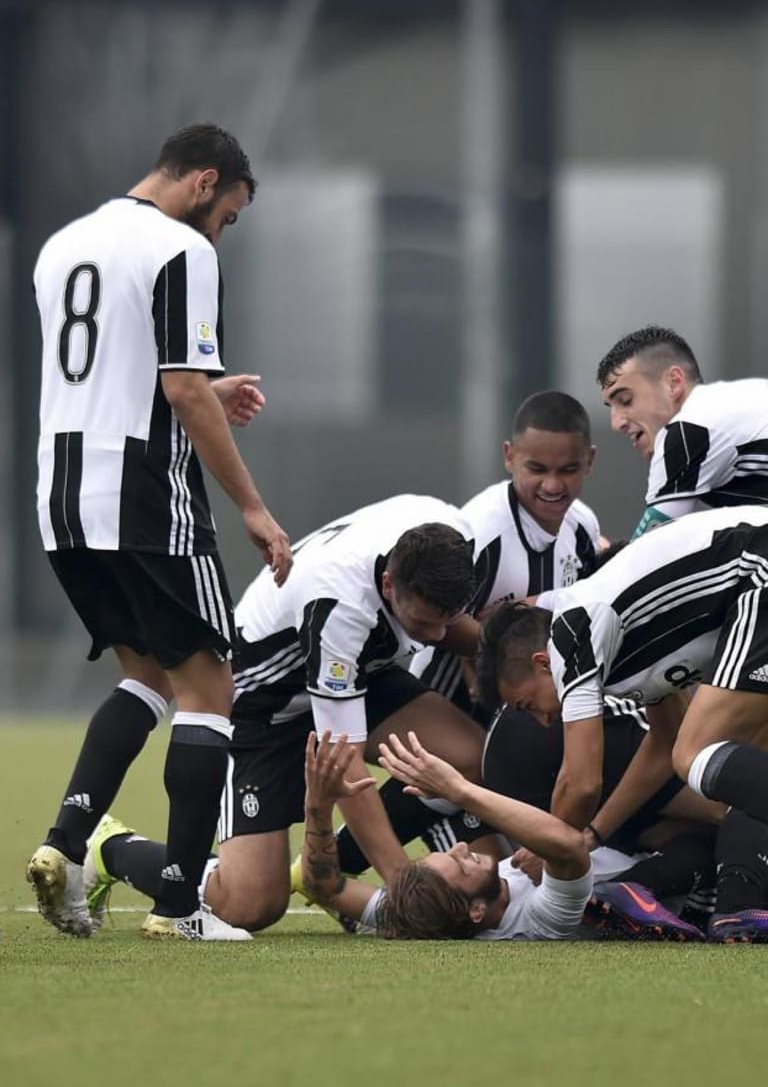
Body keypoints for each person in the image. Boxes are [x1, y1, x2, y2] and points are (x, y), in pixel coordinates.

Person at [28, 123, 292, 941]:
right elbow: (179, 389)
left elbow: (126, 370)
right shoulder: (183, 249)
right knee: (211, 687)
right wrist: (251, 505)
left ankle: (66, 847)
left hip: (61, 496)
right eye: (230, 215)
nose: (223, 233)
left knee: (146, 674)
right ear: (205, 182)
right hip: (143, 495)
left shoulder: (63, 243)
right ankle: (181, 908)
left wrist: (212, 389)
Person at [83, 495, 486, 932]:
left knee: (470, 756)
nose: (436, 636)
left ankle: (320, 872)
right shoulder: (340, 607)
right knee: (249, 905)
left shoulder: (452, 537)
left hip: (361, 676)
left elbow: (449, 628)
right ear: (389, 584)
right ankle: (110, 848)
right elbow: (343, 763)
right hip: (265, 711)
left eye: (447, 620)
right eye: (424, 624)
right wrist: (403, 886)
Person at [333, 390, 602, 874]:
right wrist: (490, 679)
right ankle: (331, 867)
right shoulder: (481, 530)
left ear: (590, 462)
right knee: (477, 866)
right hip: (451, 698)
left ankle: (333, 868)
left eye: (568, 470)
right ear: (509, 457)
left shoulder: (582, 528)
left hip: (519, 707)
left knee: (494, 870)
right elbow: (444, 615)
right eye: (537, 468)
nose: (552, 484)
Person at [486, 504, 768, 942]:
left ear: (543, 664)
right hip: (754, 575)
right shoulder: (626, 646)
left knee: (696, 754)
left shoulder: (572, 630)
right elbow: (662, 739)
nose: (543, 720)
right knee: (743, 761)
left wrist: (553, 849)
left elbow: (580, 782)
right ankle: (744, 908)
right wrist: (593, 834)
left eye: (527, 705)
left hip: (759, 567)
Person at [300, 730, 704, 942]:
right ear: (476, 911)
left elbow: (325, 885)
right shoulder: (538, 923)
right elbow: (567, 845)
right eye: (459, 865)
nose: (459, 851)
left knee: (460, 819)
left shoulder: (424, 912)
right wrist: (458, 789)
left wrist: (317, 807)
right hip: (679, 871)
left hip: (618, 844)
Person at [597, 326, 768, 537]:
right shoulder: (728, 407)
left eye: (625, 400)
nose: (617, 423)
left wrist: (603, 560)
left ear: (673, 382)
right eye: (611, 407)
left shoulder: (689, 429)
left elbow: (649, 550)